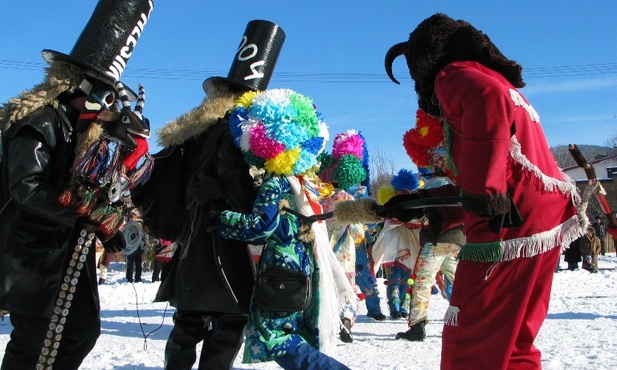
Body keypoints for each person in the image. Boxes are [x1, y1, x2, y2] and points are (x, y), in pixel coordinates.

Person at [384, 13, 584, 369]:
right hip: (543, 220)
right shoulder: (492, 77)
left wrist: (485, 193)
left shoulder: (453, 74)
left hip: (510, 229)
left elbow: (486, 103)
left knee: (470, 342)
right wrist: (420, 201)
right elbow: (500, 171)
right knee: (514, 342)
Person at [0, 1, 153, 368]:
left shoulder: (89, 136)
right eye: (101, 92)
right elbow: (26, 185)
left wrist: (111, 226)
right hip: (33, 254)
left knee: (82, 332)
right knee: (31, 342)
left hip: (71, 254)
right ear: (75, 84)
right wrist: (81, 214)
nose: (106, 105)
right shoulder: (41, 120)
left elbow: (97, 192)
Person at [131, 20, 285, 370]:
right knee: (229, 323)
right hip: (224, 242)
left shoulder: (198, 131)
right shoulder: (235, 133)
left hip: (194, 239)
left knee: (188, 324)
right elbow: (240, 190)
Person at [214, 88, 353, 369]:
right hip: (307, 268)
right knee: (299, 335)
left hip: (281, 269)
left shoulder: (275, 182)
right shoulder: (306, 183)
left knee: (275, 338)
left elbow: (260, 227)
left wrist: (219, 219)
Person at [122, 210, 147, 283]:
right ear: (130, 218)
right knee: (130, 264)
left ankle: (138, 278)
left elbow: (141, 236)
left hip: (138, 247)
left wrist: (143, 246)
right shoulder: (127, 226)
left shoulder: (138, 226)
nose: (135, 220)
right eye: (134, 218)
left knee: (138, 264)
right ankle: (129, 278)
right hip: (130, 248)